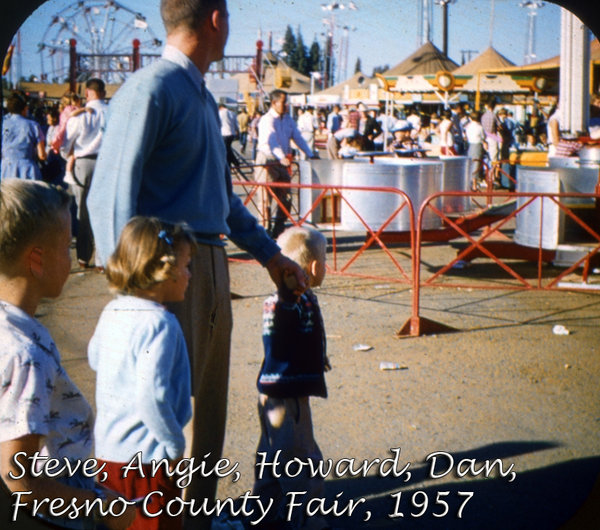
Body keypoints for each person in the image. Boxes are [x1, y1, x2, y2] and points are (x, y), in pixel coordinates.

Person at [87, 2, 307, 528]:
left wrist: (272, 255)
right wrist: (133, 294)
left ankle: (196, 520)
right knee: (162, 412)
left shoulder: (201, 98)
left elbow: (221, 201)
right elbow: (109, 196)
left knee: (205, 413)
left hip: (205, 266)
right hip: (163, 278)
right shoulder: (152, 88)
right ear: (216, 19)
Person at [0, 179, 135, 530]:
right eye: (66, 246)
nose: (72, 257)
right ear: (37, 260)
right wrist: (101, 506)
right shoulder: (27, 354)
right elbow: (19, 479)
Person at [89, 217, 195, 530]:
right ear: (165, 269)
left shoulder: (113, 311)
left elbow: (96, 358)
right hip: (148, 461)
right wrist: (175, 447)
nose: (189, 274)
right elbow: (153, 397)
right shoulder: (160, 324)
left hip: (110, 456)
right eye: (186, 265)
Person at [252, 226, 330, 530]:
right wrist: (287, 292)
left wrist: (317, 358)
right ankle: (308, 520)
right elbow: (282, 332)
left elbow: (299, 338)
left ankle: (264, 514)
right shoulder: (288, 301)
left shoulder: (301, 299)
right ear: (312, 267)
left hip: (276, 390)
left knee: (272, 455)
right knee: (301, 455)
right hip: (286, 396)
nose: (326, 266)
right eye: (325, 259)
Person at [255, 89, 317, 238]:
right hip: (267, 159)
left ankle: (279, 227)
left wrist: (310, 153)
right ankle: (265, 231)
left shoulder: (288, 119)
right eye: (284, 102)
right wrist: (282, 157)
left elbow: (297, 137)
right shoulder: (267, 120)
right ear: (274, 103)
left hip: (281, 161)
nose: (286, 105)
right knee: (266, 198)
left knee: (286, 196)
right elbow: (271, 141)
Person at [62, 78, 108, 269]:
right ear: (103, 93)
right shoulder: (112, 112)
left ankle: (83, 256)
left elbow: (66, 145)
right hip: (106, 163)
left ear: (87, 92)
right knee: (103, 211)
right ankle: (102, 258)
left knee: (82, 210)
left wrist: (70, 158)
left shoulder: (78, 116)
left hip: (82, 163)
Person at [1, 92, 46, 180]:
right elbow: (42, 155)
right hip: (27, 171)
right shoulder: (34, 126)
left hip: (6, 169)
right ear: (25, 108)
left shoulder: (3, 124)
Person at [465, 111, 486, 190]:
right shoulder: (480, 127)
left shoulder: (468, 126)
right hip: (477, 145)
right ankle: (474, 184)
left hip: (470, 145)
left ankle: (470, 182)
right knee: (476, 165)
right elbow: (483, 137)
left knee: (471, 164)